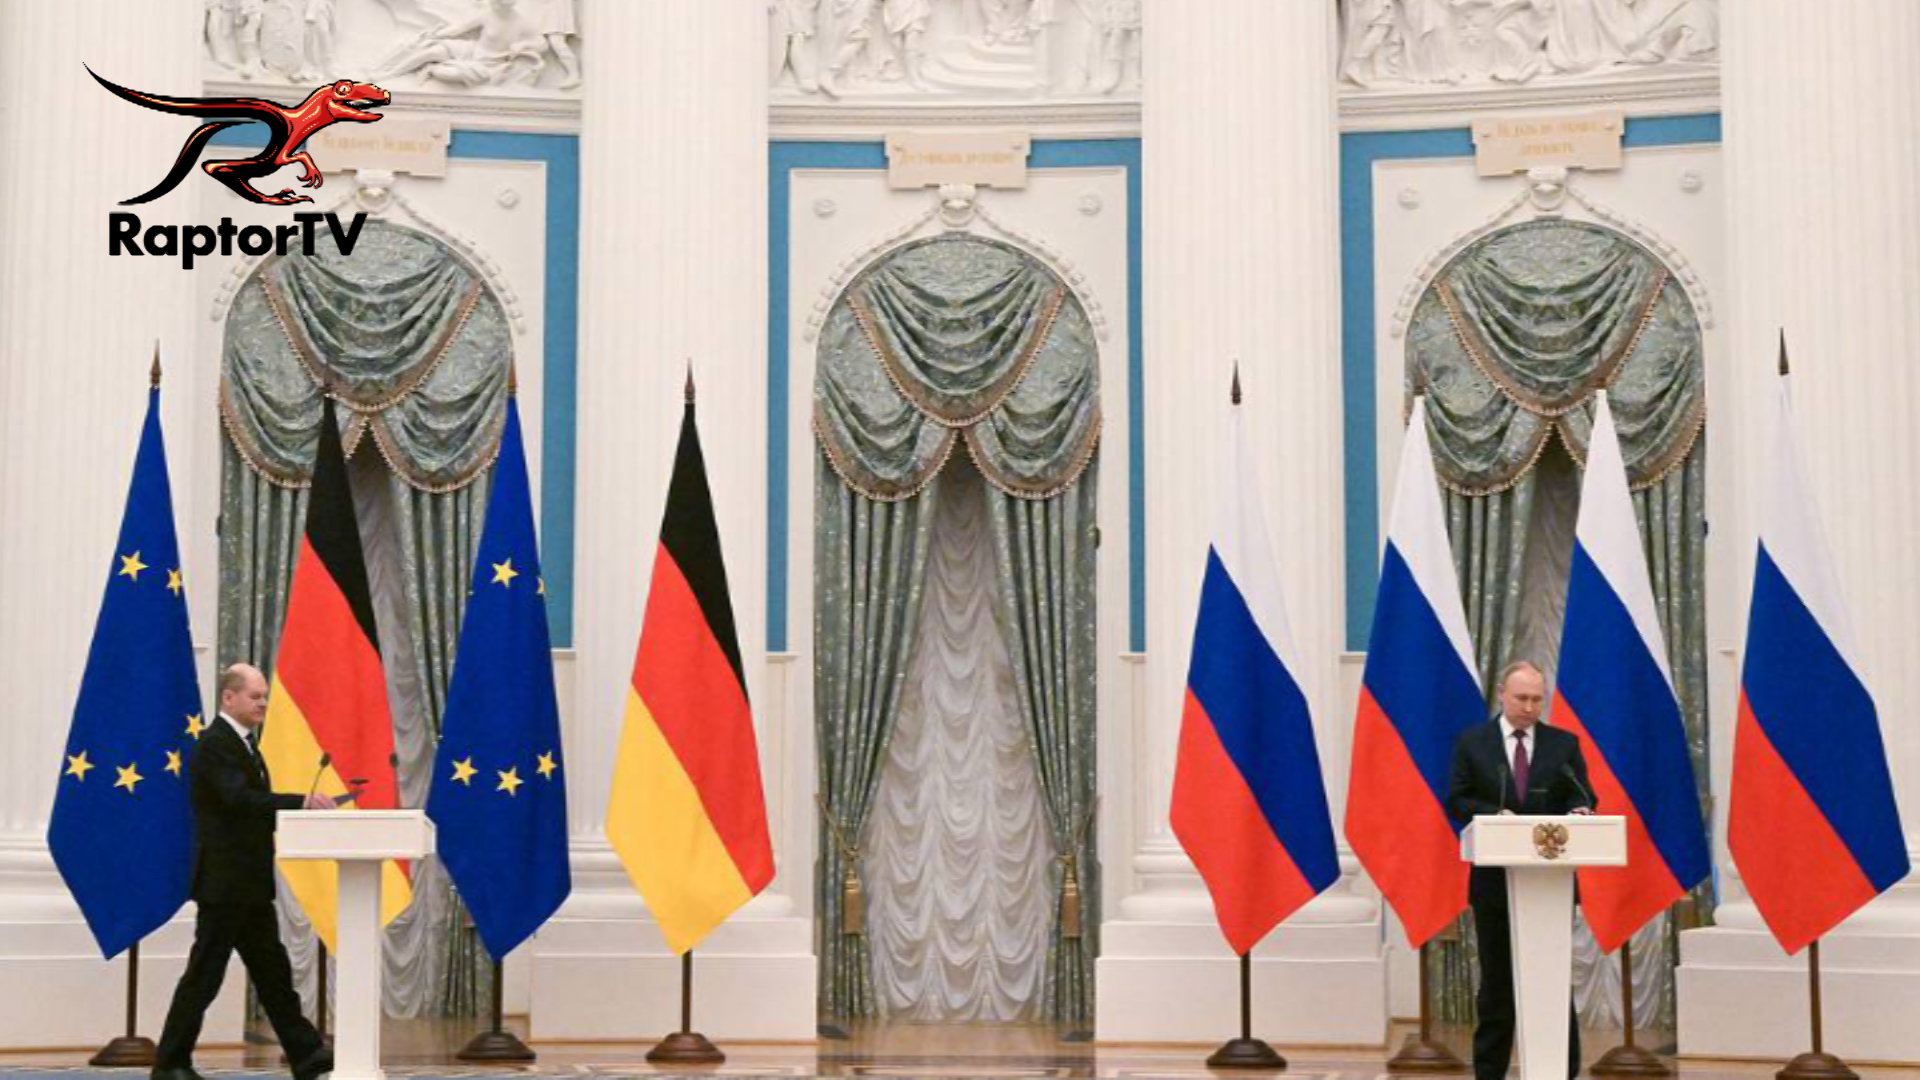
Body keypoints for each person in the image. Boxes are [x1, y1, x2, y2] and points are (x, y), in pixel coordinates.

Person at [152, 664, 337, 1080]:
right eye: (255, 696)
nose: (263, 703)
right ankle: (170, 1063)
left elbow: (251, 806)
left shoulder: (245, 745)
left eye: (264, 696)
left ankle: (306, 1052)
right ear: (228, 697)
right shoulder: (215, 744)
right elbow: (239, 800)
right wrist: (299, 802)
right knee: (204, 976)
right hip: (224, 884)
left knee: (273, 971)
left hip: (248, 882)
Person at [1447, 659, 1596, 1080]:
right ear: (1502, 694)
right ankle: (1490, 1072)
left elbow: (1582, 794)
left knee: (1552, 980)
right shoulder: (1473, 743)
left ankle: (1561, 1070)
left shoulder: (1563, 744)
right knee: (1497, 984)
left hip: (1549, 884)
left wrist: (1580, 810)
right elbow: (1457, 799)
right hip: (1494, 882)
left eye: (1536, 699)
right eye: (1521, 699)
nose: (1530, 707)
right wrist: (1496, 814)